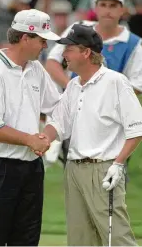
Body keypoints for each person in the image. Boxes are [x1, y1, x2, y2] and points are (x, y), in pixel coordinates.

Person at [37, 24, 142, 246]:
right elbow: (58, 123)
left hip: (104, 170)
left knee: (117, 238)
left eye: (69, 49)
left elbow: (136, 129)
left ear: (86, 52)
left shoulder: (116, 82)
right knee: (80, 239)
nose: (64, 54)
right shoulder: (73, 85)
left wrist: (118, 164)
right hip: (73, 170)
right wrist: (43, 139)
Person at [0, 9, 61, 246]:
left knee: (26, 241)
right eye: (42, 40)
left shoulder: (36, 70)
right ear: (25, 37)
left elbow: (58, 108)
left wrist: (46, 136)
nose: (44, 46)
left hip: (31, 170)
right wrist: (30, 140)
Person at [45, 0, 142, 167]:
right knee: (75, 177)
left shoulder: (134, 43)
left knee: (110, 181)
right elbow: (52, 62)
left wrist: (99, 98)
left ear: (122, 10)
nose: (107, 10)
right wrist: (74, 89)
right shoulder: (78, 28)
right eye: (103, 5)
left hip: (111, 123)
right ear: (95, 8)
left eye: (113, 6)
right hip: (75, 118)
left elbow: (137, 85)